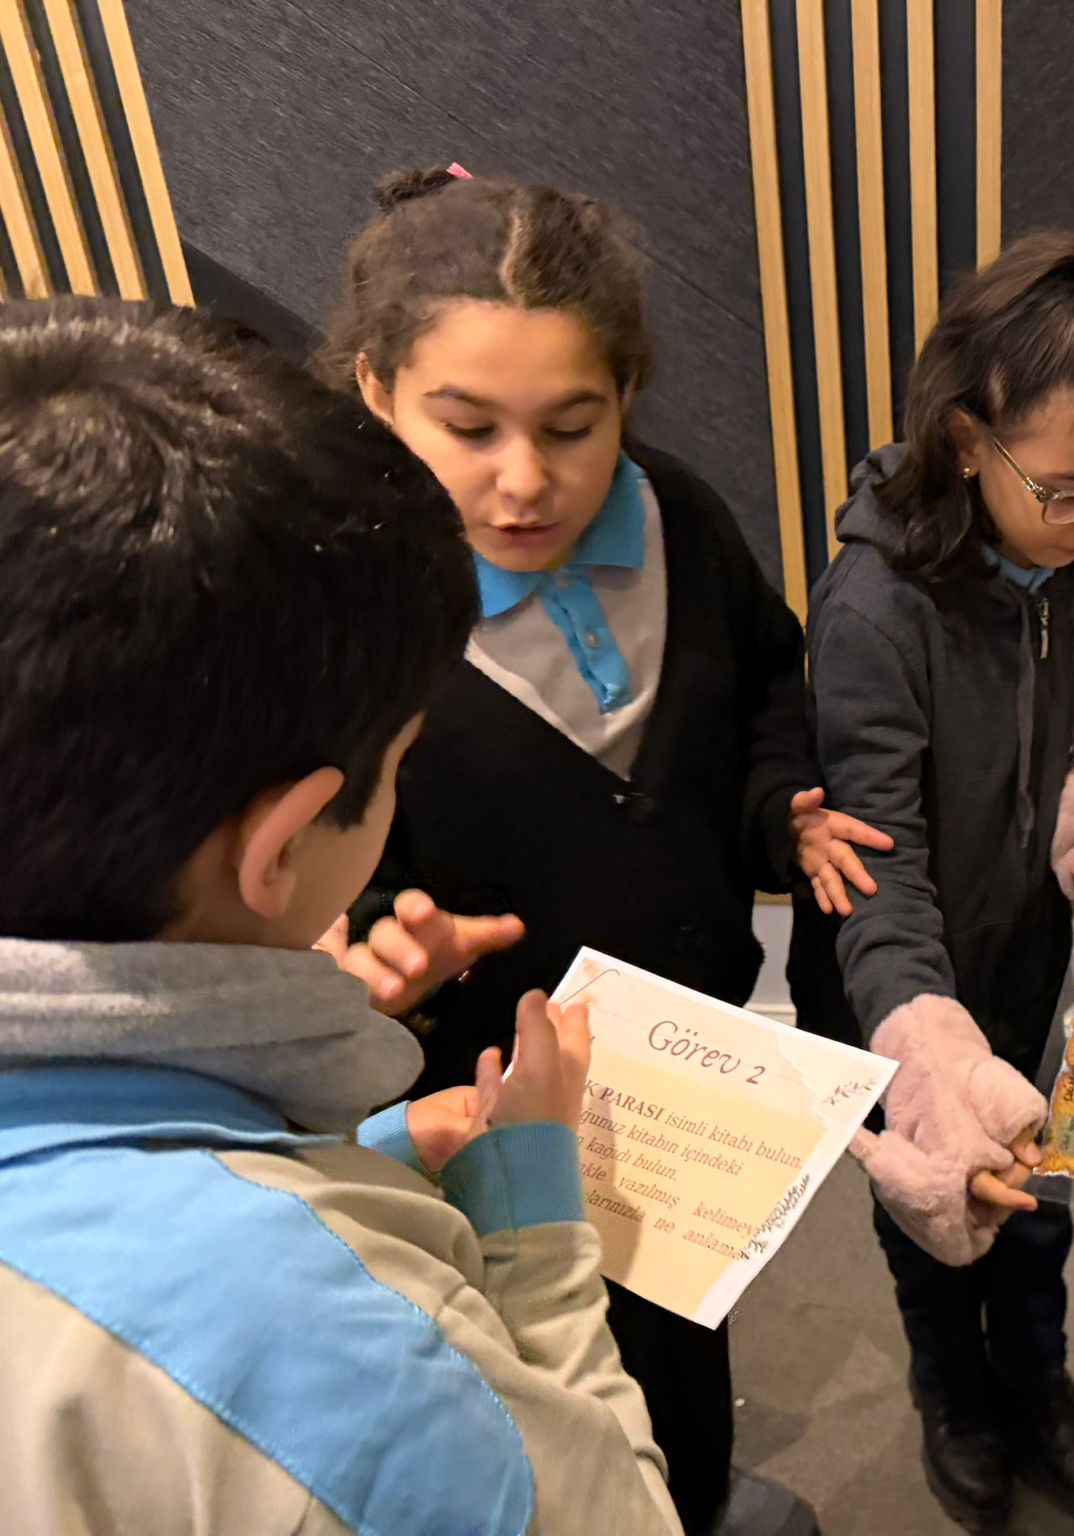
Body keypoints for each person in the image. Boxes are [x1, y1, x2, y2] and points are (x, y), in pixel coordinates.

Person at [0, 298, 681, 1535]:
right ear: (281, 846)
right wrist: (530, 1231)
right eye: (400, 758)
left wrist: (347, 1165)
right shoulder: (340, 1363)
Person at [318, 167, 881, 1536]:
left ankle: (694, 1492)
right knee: (528, 1380)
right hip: (481, 1098)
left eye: (573, 428)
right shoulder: (341, 609)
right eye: (467, 428)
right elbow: (308, 858)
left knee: (681, 1333)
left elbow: (764, 685)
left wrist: (783, 807)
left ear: (627, 395)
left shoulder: (675, 512)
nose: (525, 481)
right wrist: (383, 947)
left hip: (683, 1054)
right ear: (377, 393)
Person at [787, 231, 1074, 1531]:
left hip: (1028, 955)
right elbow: (877, 865)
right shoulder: (875, 608)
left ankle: (1037, 1379)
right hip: (899, 984)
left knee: (1038, 1198)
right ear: (966, 440)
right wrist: (924, 1040)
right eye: (1068, 492)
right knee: (930, 1212)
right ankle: (952, 1391)